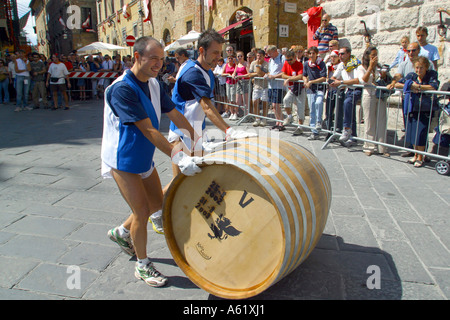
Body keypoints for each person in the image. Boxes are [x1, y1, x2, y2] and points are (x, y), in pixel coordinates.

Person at [103, 36, 202, 288]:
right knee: (141, 212)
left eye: (162, 58)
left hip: (144, 157)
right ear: (137, 57)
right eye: (153, 58)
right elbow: (148, 130)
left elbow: (175, 114)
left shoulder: (155, 84)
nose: (159, 64)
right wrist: (179, 156)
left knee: (157, 204)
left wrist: (197, 142)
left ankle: (121, 233)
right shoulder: (121, 88)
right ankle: (142, 265)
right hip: (123, 159)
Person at [167, 29, 257, 215]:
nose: (219, 56)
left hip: (196, 133)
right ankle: (156, 215)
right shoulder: (194, 73)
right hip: (181, 134)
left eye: (220, 52)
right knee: (179, 184)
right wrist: (229, 131)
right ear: (202, 50)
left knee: (191, 180)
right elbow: (207, 107)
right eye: (215, 52)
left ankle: (161, 213)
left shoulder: (205, 71)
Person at [394, 57, 440, 167]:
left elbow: (433, 86)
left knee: (421, 133)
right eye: (417, 68)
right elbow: (397, 84)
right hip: (413, 107)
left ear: (426, 67)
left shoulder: (432, 74)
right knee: (413, 133)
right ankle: (415, 154)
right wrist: (410, 85)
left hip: (425, 108)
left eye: (421, 68)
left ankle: (421, 157)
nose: (419, 70)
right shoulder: (412, 75)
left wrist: (419, 86)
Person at [357, 46, 390, 157]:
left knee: (381, 120)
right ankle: (369, 146)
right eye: (372, 56)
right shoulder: (361, 68)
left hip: (380, 95)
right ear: (367, 56)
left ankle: (382, 147)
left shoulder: (379, 67)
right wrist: (370, 67)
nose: (375, 58)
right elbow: (363, 80)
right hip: (369, 95)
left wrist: (384, 75)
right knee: (369, 122)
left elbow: (384, 80)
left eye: (376, 55)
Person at [329, 46, 362, 145]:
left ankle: (346, 129)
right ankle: (353, 137)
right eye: (339, 54)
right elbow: (334, 77)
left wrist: (341, 82)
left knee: (347, 104)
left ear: (348, 54)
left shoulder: (356, 64)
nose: (340, 56)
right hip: (348, 89)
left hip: (356, 89)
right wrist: (332, 81)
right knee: (350, 112)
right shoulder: (341, 65)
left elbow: (357, 80)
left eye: (342, 54)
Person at [303, 46, 327, 140]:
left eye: (313, 53)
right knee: (312, 109)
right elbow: (304, 75)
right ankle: (314, 132)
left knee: (318, 102)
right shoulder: (306, 64)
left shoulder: (321, 63)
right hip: (311, 89)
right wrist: (305, 81)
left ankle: (318, 121)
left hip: (320, 87)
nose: (311, 55)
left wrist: (311, 82)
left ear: (317, 54)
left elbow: (323, 77)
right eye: (310, 53)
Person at [281, 50, 305, 135]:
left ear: (294, 58)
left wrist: (289, 79)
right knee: (286, 100)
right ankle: (289, 116)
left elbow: (300, 76)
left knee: (300, 108)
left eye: (290, 60)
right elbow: (282, 74)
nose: (289, 62)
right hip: (291, 88)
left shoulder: (299, 64)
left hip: (299, 88)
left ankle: (300, 127)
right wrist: (290, 78)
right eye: (287, 60)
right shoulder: (286, 63)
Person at [246, 49, 269, 127]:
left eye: (260, 56)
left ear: (264, 56)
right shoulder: (253, 63)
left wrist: (258, 69)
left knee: (264, 103)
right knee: (255, 102)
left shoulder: (266, 64)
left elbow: (262, 74)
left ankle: (264, 119)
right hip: (256, 86)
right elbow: (249, 74)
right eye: (258, 56)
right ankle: (257, 119)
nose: (259, 58)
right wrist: (258, 73)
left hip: (264, 86)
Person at [265, 45, 285, 130]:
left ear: (275, 51)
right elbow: (270, 71)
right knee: (273, 105)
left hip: (278, 85)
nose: (269, 55)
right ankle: (277, 121)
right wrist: (268, 75)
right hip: (271, 85)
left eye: (270, 53)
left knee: (276, 104)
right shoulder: (271, 60)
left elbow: (284, 72)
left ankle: (281, 122)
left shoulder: (282, 58)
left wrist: (274, 76)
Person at [232, 51, 250, 120]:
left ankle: (246, 115)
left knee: (245, 100)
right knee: (237, 100)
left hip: (245, 82)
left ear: (243, 56)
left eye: (241, 56)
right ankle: (236, 113)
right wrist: (233, 75)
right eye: (238, 56)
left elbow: (248, 74)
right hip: (239, 83)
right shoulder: (237, 65)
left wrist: (241, 76)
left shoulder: (246, 64)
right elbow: (234, 73)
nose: (239, 57)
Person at [222, 53, 237, 119]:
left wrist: (233, 74)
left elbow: (235, 71)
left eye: (231, 58)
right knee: (229, 98)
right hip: (228, 82)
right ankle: (231, 113)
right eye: (229, 58)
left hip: (234, 83)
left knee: (233, 98)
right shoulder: (226, 65)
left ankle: (235, 112)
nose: (230, 59)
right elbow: (222, 73)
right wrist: (227, 74)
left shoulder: (235, 65)